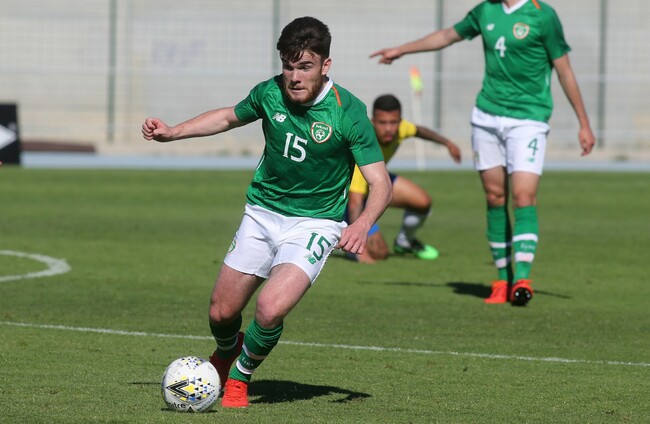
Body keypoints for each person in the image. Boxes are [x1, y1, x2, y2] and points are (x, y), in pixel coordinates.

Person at [142, 16, 392, 408]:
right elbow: (228, 116)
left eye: (305, 67)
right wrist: (174, 131)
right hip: (262, 213)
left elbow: (381, 183)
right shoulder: (270, 92)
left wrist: (362, 223)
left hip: (316, 223)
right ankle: (228, 350)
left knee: (270, 308)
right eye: (288, 66)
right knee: (221, 312)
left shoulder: (349, 112)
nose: (294, 76)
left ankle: (240, 377)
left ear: (325, 65)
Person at [371, 0, 596, 305]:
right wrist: (402, 50)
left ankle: (523, 280)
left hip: (528, 119)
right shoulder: (486, 11)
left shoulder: (543, 15)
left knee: (524, 197)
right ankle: (502, 280)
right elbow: (447, 36)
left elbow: (565, 71)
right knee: (494, 197)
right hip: (487, 119)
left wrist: (584, 123)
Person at [347, 94, 461, 263]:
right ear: (373, 122)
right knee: (379, 253)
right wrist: (357, 250)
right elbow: (354, 201)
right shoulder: (364, 144)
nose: (388, 129)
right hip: (345, 197)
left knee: (422, 202)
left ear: (400, 122)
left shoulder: (402, 129)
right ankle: (347, 239)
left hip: (374, 183)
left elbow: (419, 131)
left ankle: (405, 241)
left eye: (393, 122)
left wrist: (447, 143)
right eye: (382, 123)